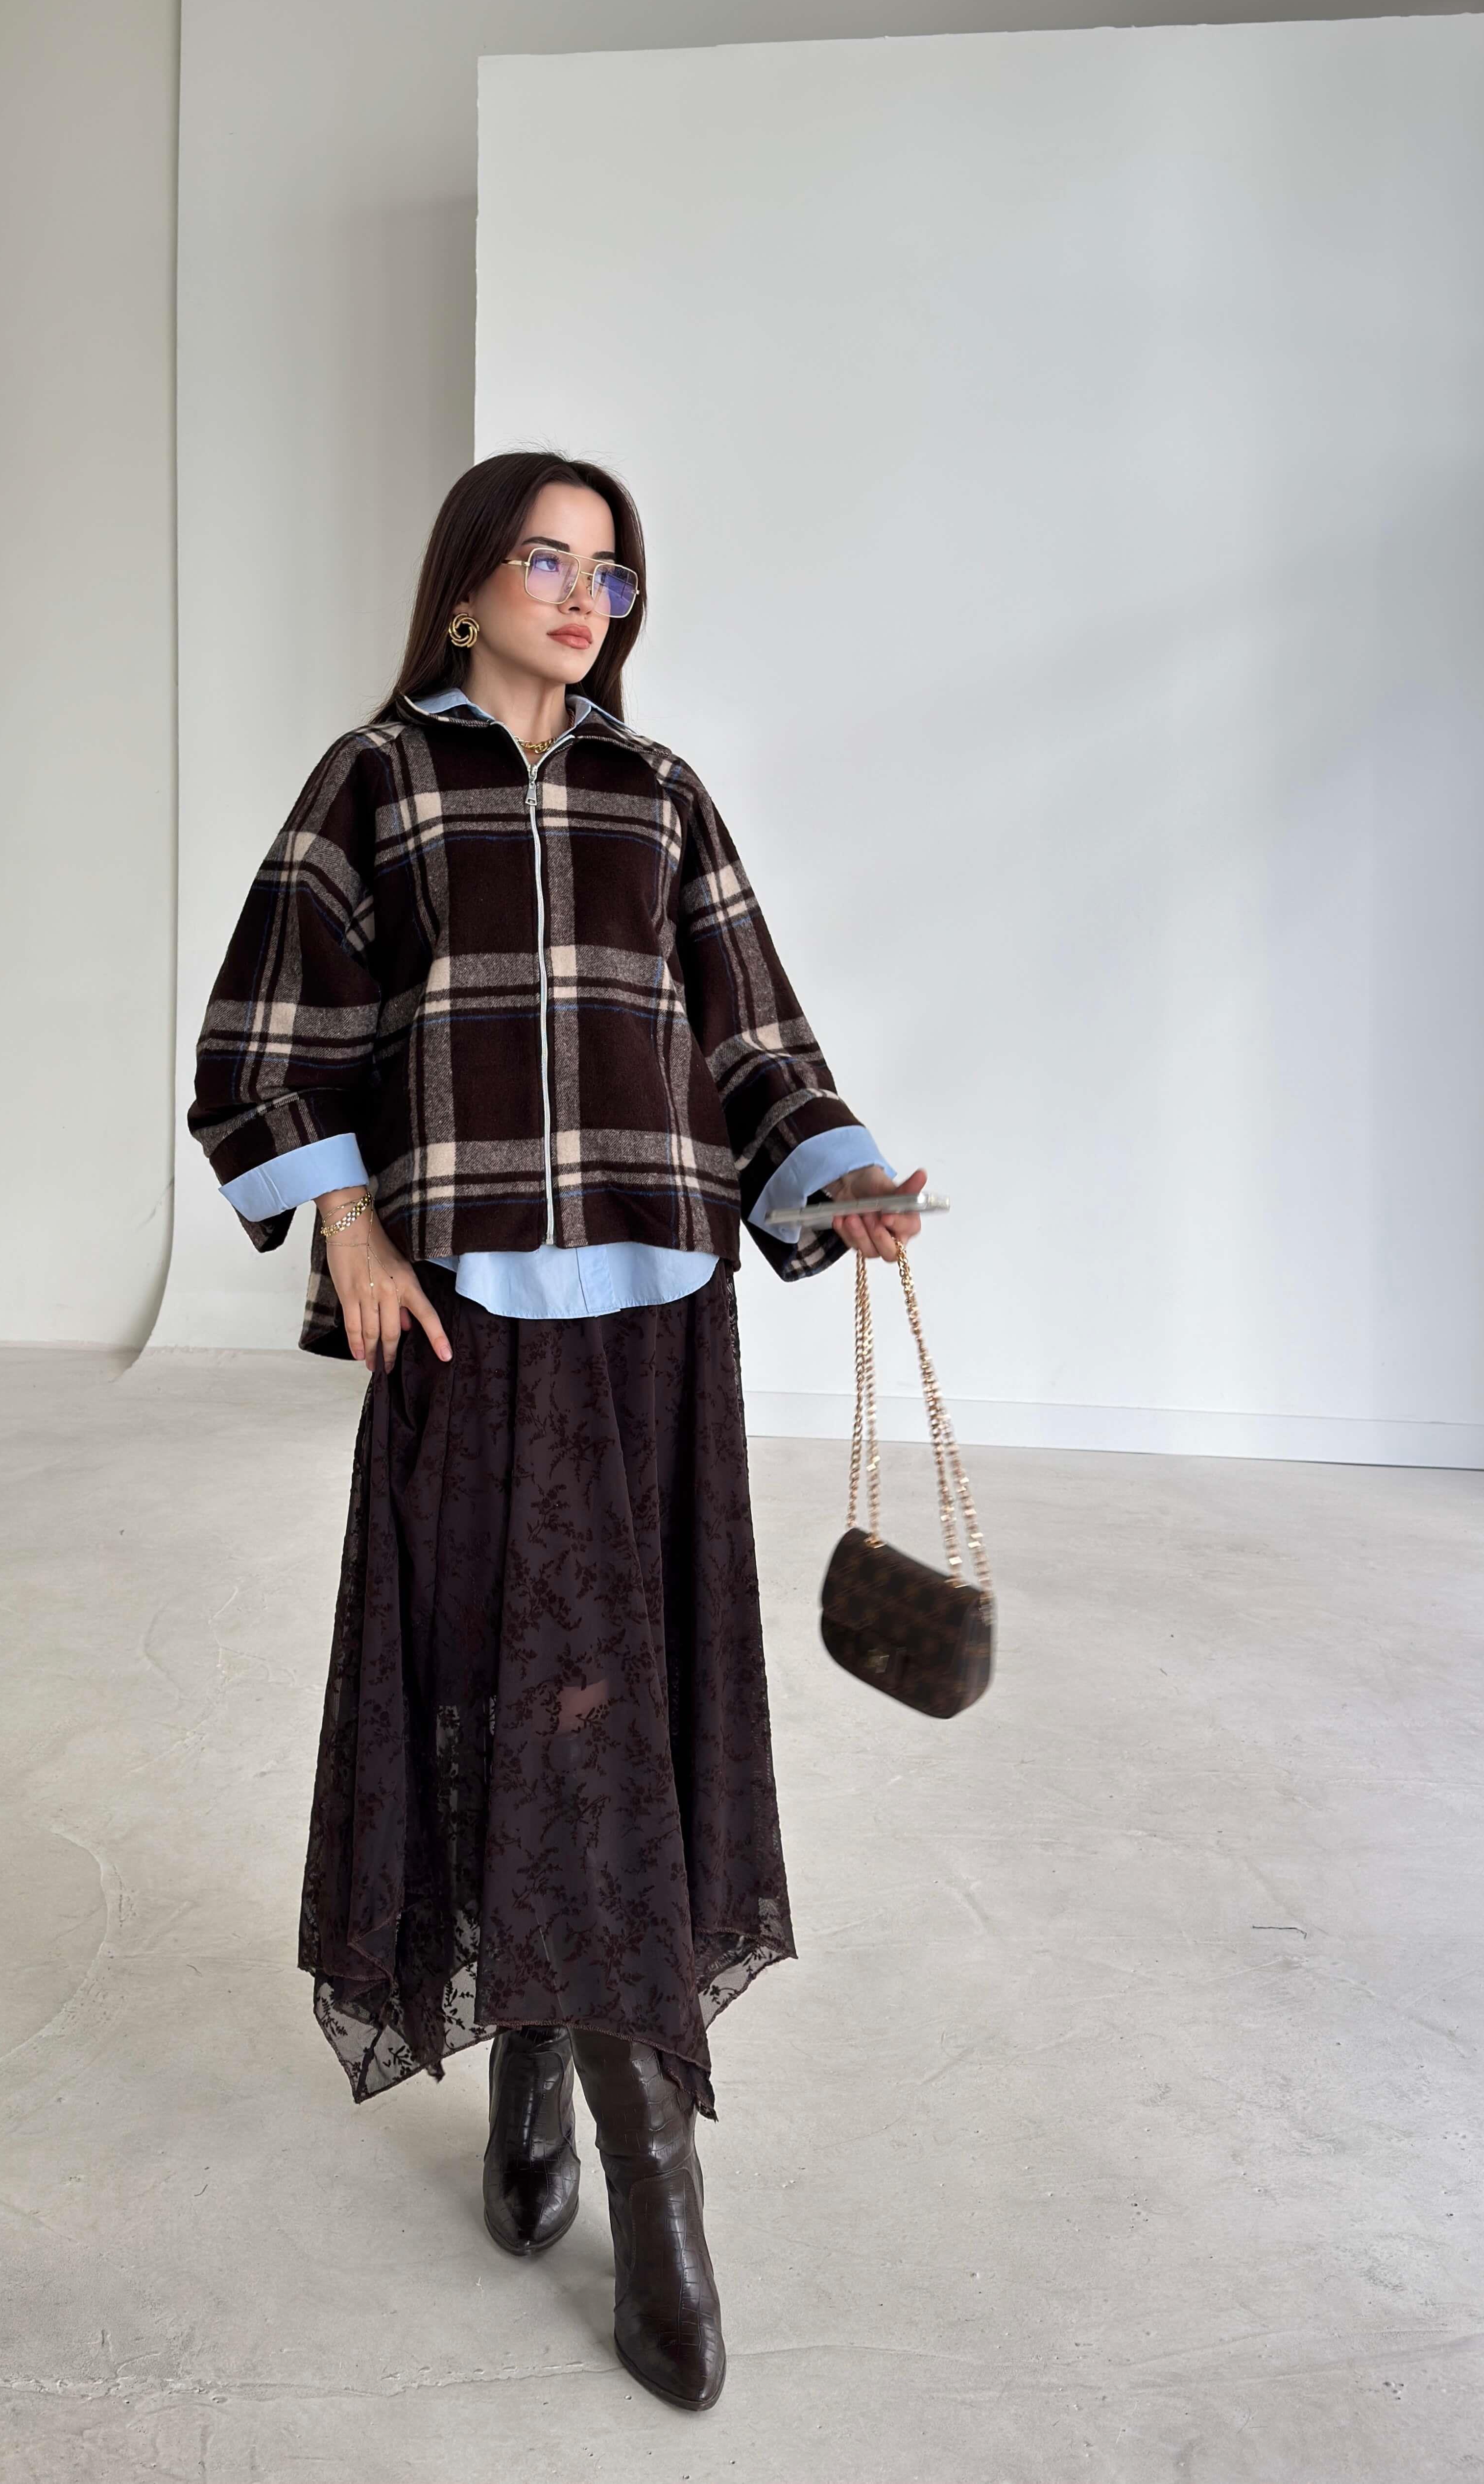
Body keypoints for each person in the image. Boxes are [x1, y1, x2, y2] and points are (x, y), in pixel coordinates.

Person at [187, 451, 926, 2412]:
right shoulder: (374, 781)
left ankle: (637, 2152)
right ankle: (557, 2058)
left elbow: (750, 1035)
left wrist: (837, 1178)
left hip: (657, 1316)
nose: (583, 595)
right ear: (464, 587)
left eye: (610, 570)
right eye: (546, 559)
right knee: (494, 1679)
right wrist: (347, 1225)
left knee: (614, 1698)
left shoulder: (657, 792)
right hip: (461, 1313)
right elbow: (267, 1037)